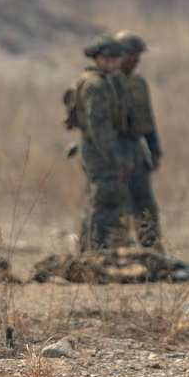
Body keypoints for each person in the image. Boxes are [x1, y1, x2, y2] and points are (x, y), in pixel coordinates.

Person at [64, 34, 129, 251]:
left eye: (118, 58)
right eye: (112, 58)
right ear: (99, 58)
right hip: (98, 150)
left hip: (94, 148)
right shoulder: (96, 86)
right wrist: (114, 157)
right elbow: (98, 126)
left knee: (100, 198)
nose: (117, 63)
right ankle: (95, 251)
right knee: (104, 199)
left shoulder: (99, 81)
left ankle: (91, 249)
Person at [113, 29, 163, 251]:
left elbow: (147, 117)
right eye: (132, 54)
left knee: (145, 203)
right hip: (115, 147)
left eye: (138, 54)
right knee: (117, 203)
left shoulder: (138, 83)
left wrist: (155, 150)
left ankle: (152, 248)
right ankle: (116, 248)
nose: (136, 59)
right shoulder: (106, 82)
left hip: (136, 148)